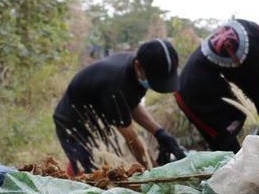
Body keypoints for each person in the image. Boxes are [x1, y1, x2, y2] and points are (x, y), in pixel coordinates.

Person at [175, 7, 259, 152]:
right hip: (198, 100)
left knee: (228, 149)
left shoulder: (247, 28)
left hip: (188, 84)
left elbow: (254, 86)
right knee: (228, 153)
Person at [53, 38, 185, 175]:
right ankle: (74, 171)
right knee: (92, 172)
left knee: (99, 161)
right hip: (72, 122)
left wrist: (159, 132)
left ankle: (74, 168)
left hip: (99, 111)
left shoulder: (140, 69)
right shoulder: (117, 88)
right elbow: (132, 140)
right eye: (155, 81)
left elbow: (131, 104)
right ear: (137, 66)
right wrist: (157, 172)